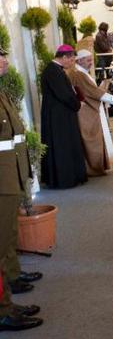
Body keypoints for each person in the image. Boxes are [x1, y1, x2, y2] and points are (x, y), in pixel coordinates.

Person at [0, 53, 44, 332]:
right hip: (1, 181)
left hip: (9, 177)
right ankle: (3, 311)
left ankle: (6, 301)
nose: (4, 60)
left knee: (7, 240)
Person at [67, 50, 113, 176]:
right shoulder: (78, 74)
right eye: (88, 60)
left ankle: (96, 166)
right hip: (86, 113)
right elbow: (92, 92)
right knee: (91, 140)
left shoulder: (80, 73)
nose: (91, 63)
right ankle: (93, 168)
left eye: (91, 60)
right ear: (79, 60)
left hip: (87, 110)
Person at [40, 45, 86, 189]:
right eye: (71, 59)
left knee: (64, 145)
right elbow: (65, 95)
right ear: (64, 57)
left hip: (60, 114)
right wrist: (77, 104)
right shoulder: (54, 72)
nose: (72, 62)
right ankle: (65, 178)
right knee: (62, 146)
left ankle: (70, 176)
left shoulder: (55, 70)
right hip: (58, 117)